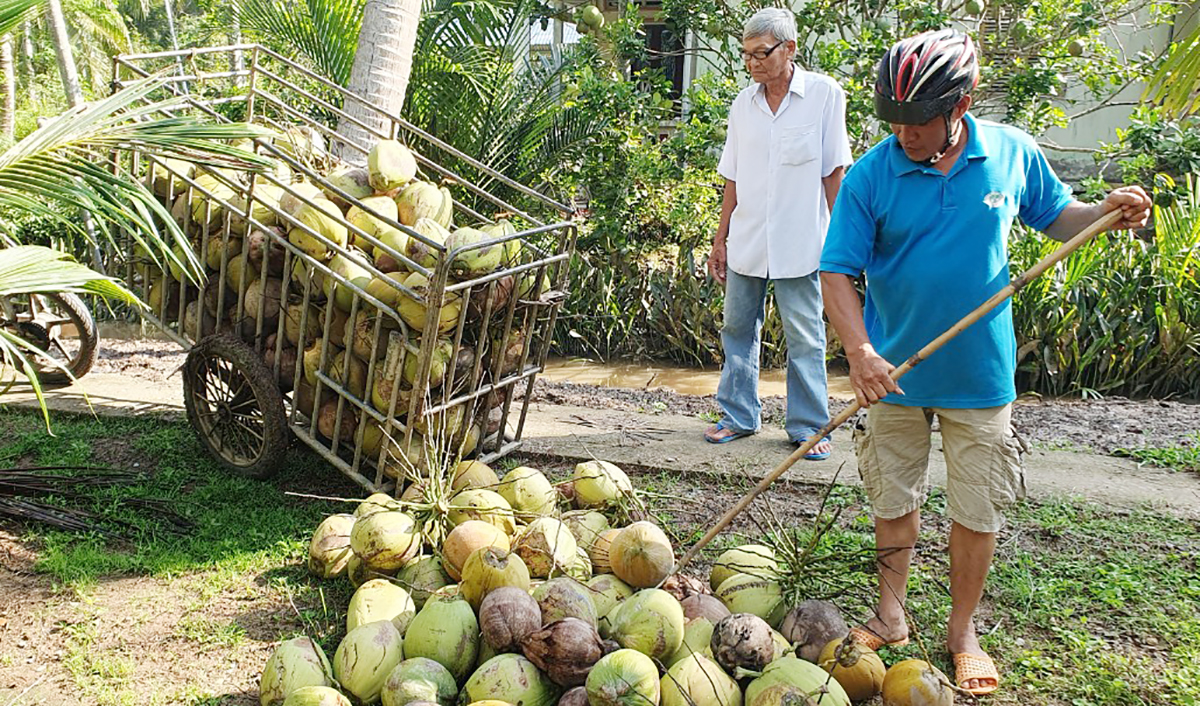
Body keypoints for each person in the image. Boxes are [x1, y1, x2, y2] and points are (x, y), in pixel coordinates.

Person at [819, 29, 1151, 695]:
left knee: (977, 510)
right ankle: (891, 615)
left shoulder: (1010, 154)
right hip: (894, 377)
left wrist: (1107, 214)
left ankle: (962, 629)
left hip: (980, 378)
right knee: (894, 498)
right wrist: (860, 352)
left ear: (961, 105)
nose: (904, 134)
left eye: (918, 121)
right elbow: (835, 272)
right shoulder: (871, 175)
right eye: (894, 120)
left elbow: (1059, 218)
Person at [704, 7, 853, 459]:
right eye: (746, 55)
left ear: (790, 49)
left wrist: (844, 242)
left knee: (805, 338)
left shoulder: (825, 95)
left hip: (803, 242)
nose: (752, 63)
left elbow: (834, 172)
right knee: (736, 328)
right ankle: (738, 415)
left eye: (761, 53)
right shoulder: (742, 105)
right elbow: (733, 176)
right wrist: (720, 237)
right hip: (748, 238)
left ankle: (809, 426)